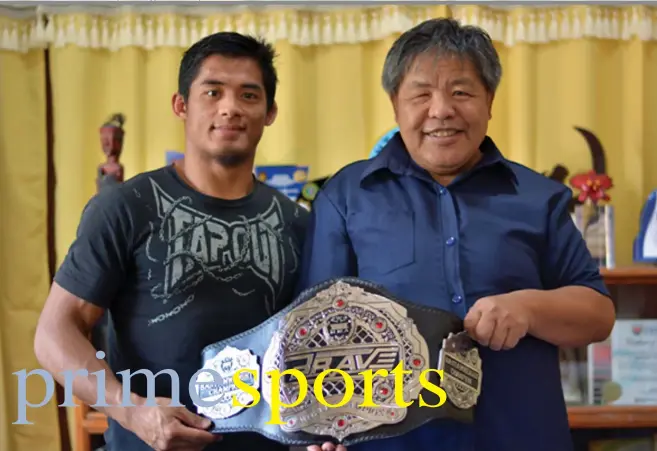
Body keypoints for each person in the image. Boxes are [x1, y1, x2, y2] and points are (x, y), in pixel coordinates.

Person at [300, 18, 615, 451]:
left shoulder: (539, 198)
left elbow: (598, 315)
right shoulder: (346, 196)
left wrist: (528, 307)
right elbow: (314, 331)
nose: (441, 110)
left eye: (461, 92)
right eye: (421, 93)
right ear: (395, 104)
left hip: (519, 438)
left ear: (490, 101)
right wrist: (318, 429)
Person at [34, 32, 308, 451]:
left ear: (270, 112)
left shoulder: (297, 223)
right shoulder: (127, 207)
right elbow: (54, 333)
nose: (230, 108)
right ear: (181, 105)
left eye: (248, 95)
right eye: (212, 92)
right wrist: (132, 410)